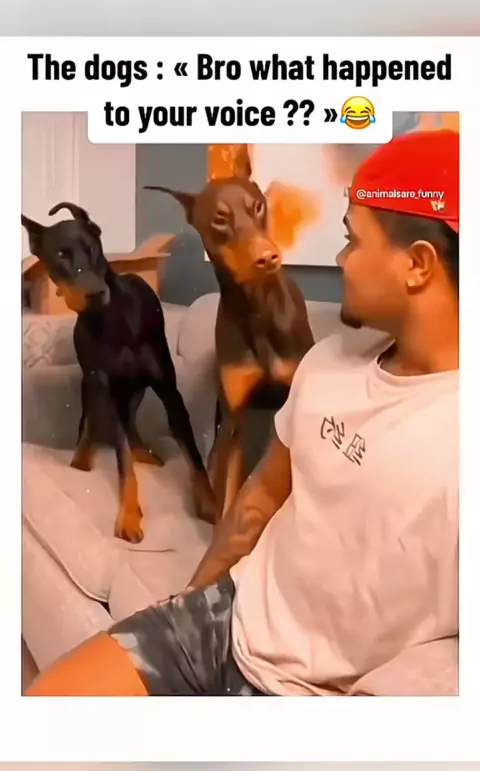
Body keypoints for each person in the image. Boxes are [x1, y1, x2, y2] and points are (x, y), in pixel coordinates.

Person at [27, 128, 459, 697]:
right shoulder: (327, 361)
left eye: (352, 241)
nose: (340, 260)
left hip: (305, 691)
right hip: (225, 616)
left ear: (418, 264)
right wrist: (186, 606)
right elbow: (255, 505)